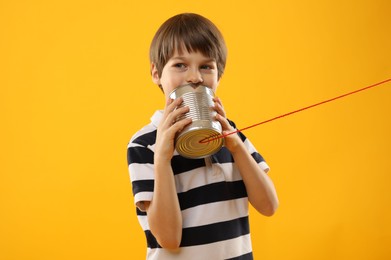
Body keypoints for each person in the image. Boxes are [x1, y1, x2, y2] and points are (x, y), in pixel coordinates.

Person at [127, 13, 279, 259]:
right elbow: (169, 239)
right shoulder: (144, 145)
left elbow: (269, 206)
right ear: (156, 73)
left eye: (206, 67)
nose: (195, 77)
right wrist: (162, 159)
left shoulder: (231, 134)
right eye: (180, 65)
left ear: (218, 76)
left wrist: (236, 147)